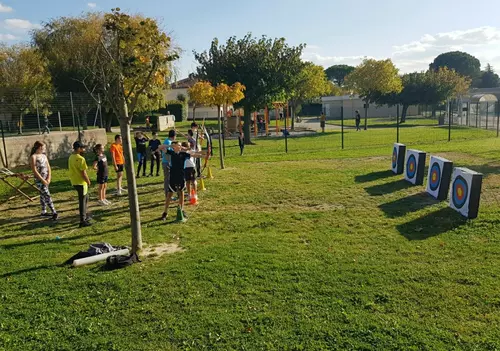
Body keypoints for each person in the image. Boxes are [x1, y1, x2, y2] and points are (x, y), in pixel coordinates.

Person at [159, 142, 205, 221]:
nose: (180, 146)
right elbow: (160, 147)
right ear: (174, 147)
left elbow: (194, 154)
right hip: (173, 177)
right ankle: (165, 212)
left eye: (180, 145)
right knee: (169, 195)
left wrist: (204, 155)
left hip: (181, 177)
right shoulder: (171, 153)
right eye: (178, 145)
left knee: (181, 194)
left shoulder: (183, 154)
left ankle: (181, 209)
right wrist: (170, 146)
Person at [30, 141, 57, 220]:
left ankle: (43, 211)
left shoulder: (44, 156)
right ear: (39, 147)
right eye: (44, 147)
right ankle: (54, 212)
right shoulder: (33, 157)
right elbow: (34, 170)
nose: (45, 148)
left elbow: (48, 167)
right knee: (46, 194)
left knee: (42, 195)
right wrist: (42, 180)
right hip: (39, 180)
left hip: (46, 178)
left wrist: (49, 177)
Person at [68, 141, 91, 228]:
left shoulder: (71, 157)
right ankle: (82, 220)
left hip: (74, 181)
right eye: (82, 148)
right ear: (78, 149)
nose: (84, 149)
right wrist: (88, 181)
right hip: (81, 182)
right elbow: (83, 173)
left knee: (85, 198)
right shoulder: (81, 159)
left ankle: (85, 216)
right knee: (83, 201)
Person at [161, 130, 176, 201]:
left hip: (169, 162)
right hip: (166, 162)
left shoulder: (168, 141)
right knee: (167, 180)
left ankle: (169, 195)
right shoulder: (168, 142)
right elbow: (165, 152)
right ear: (174, 136)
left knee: (170, 179)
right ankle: (167, 196)